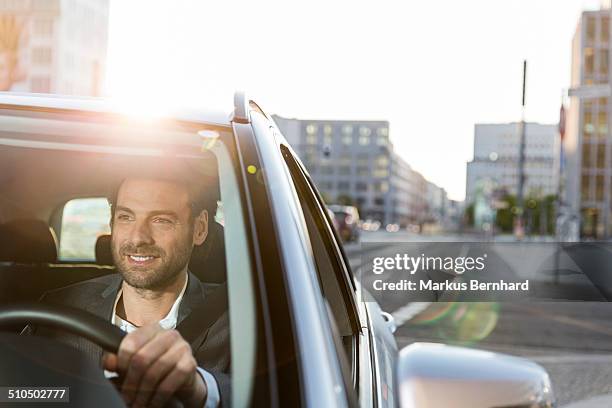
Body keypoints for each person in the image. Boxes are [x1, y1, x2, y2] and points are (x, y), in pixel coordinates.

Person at [26, 175, 230, 408]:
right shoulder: (56, 309)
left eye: (161, 220)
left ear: (200, 229)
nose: (138, 237)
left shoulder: (239, 320)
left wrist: (200, 388)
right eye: (126, 217)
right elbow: (13, 392)